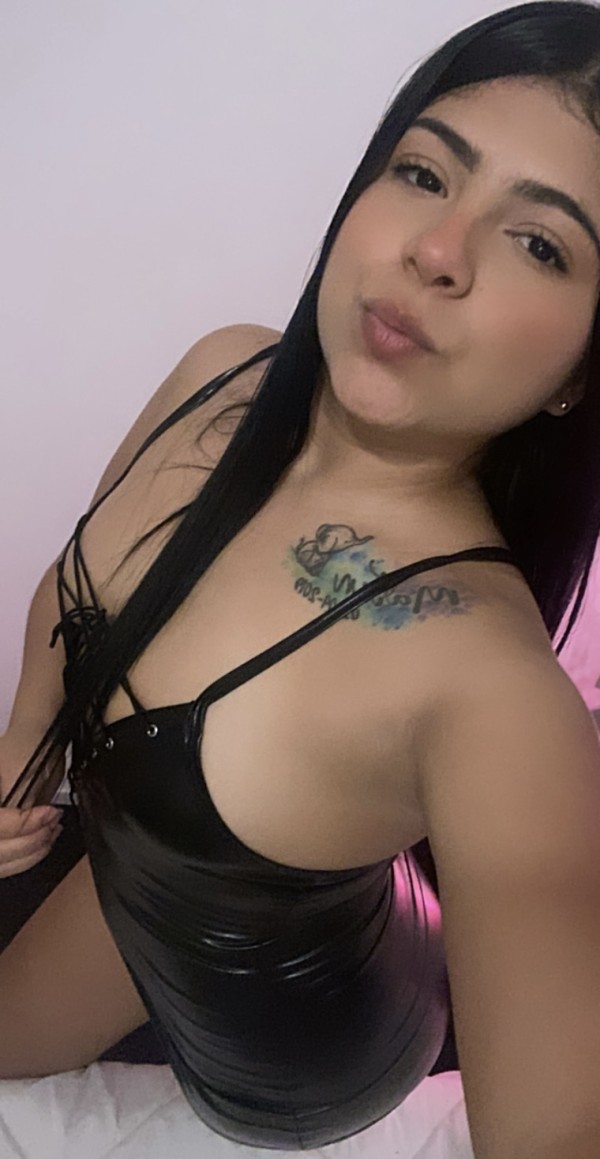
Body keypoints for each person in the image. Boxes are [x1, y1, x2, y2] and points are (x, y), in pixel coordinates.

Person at [3, 1, 600, 1153]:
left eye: (542, 244)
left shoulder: (494, 693)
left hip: (308, 1044)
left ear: (581, 371)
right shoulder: (222, 374)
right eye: (424, 173)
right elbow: (72, 586)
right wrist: (21, 744)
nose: (438, 251)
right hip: (139, 875)